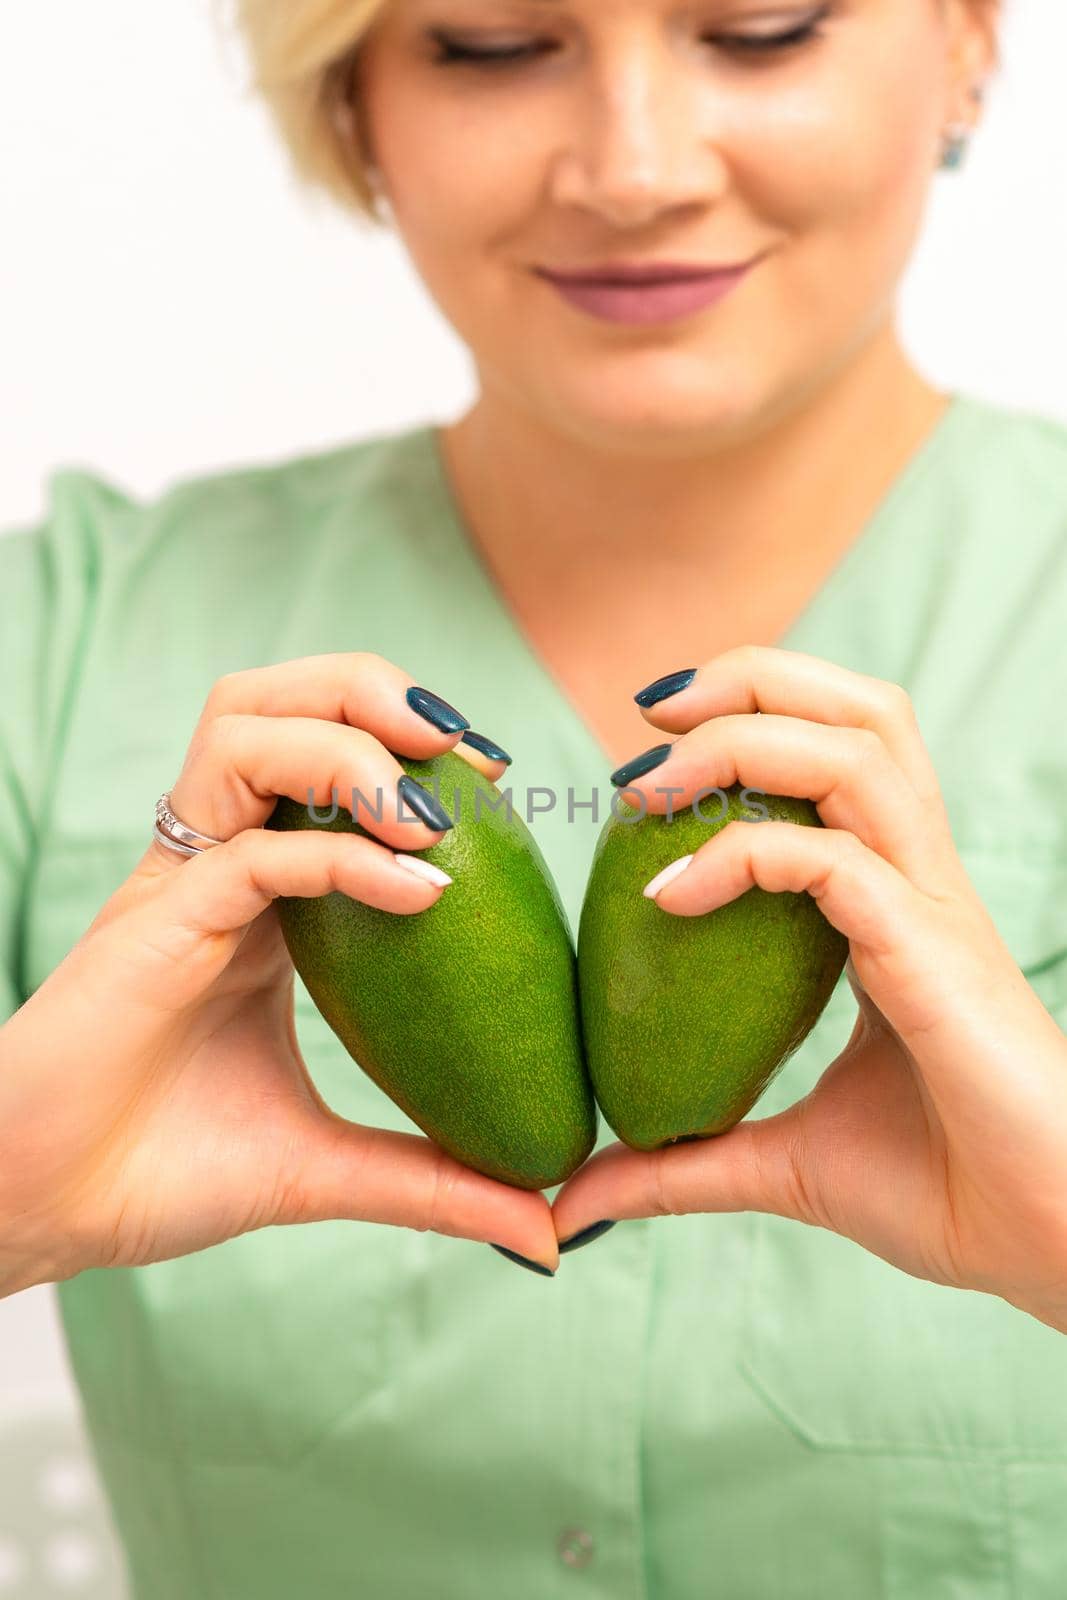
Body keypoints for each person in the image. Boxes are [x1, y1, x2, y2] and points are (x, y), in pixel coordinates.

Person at [3, 0, 1067, 1592]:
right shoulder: (63, 639)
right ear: (353, 100)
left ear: (968, 44)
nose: (631, 170)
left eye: (762, 30)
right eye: (493, 45)